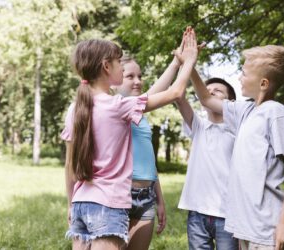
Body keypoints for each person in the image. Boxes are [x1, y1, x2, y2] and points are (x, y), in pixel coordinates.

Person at [61, 28, 197, 250]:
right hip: (108, 204)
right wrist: (189, 60)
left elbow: (70, 165)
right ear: (106, 67)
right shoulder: (117, 106)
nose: (121, 67)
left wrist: (70, 204)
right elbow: (174, 92)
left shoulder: (75, 108)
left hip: (80, 203)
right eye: (118, 64)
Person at [189, 45, 284, 250]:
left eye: (244, 73)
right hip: (244, 225)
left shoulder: (276, 112)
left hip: (265, 226)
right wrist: (190, 63)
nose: (240, 77)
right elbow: (206, 99)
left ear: (263, 83)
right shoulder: (245, 111)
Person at [112, 53, 182, 250]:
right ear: (114, 82)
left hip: (146, 196)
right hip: (121, 194)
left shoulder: (140, 115)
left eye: (140, 76)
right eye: (130, 77)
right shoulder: (115, 109)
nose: (138, 82)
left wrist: (159, 199)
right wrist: (178, 63)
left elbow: (148, 160)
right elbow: (158, 92)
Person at [176, 76, 239, 250]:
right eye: (206, 90)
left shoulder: (238, 130)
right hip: (197, 214)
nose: (209, 93)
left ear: (230, 102)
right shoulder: (198, 126)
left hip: (228, 215)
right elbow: (178, 97)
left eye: (217, 91)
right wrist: (186, 63)